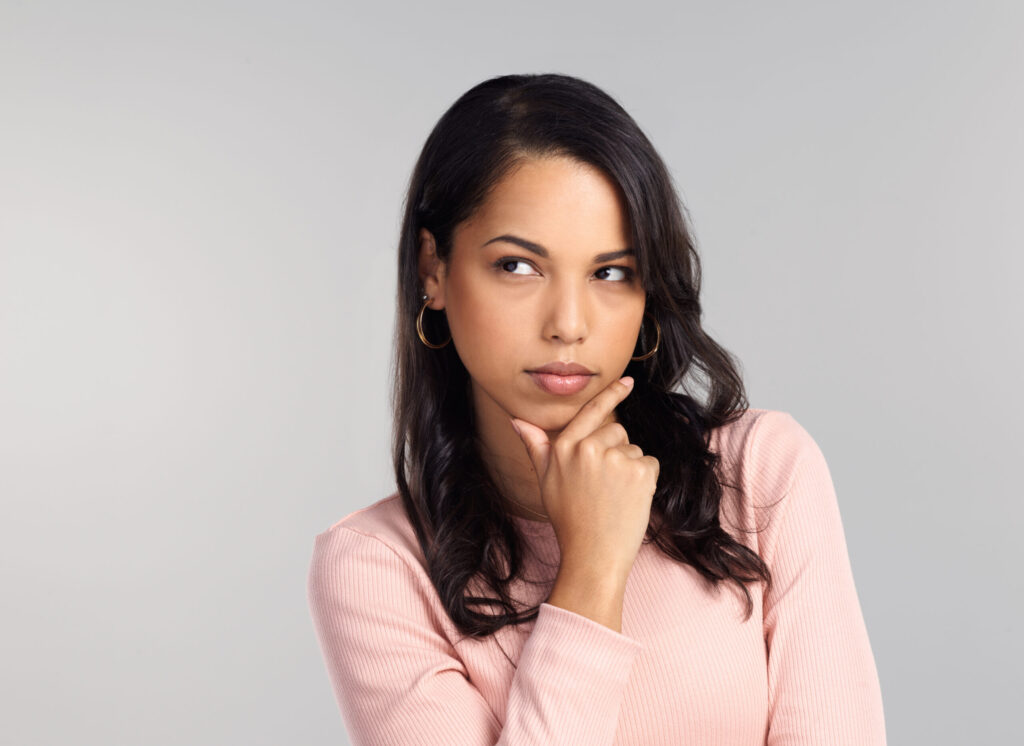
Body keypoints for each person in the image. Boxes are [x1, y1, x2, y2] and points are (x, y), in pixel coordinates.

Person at [306, 72, 886, 745]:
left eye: (611, 272)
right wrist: (590, 570)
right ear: (433, 268)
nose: (569, 325)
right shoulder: (379, 567)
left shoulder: (758, 474)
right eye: (518, 267)